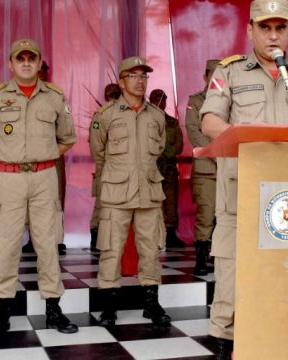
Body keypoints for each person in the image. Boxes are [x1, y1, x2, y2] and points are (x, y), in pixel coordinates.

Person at [199, 1, 288, 357]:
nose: (273, 35)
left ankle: (285, 344)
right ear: (250, 30)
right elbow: (209, 121)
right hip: (242, 192)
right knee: (232, 278)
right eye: (265, 28)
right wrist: (241, 140)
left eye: (280, 28)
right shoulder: (230, 72)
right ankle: (226, 345)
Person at [0, 38, 78, 337]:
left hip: (44, 177)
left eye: (31, 58)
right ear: (11, 63)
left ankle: (53, 309)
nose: (25, 63)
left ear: (39, 63)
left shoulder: (55, 97)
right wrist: (14, 159)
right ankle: (1, 315)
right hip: (9, 179)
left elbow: (67, 138)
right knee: (7, 245)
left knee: (47, 244)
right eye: (19, 58)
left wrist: (40, 157)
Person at [90, 56, 173, 327]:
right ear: (122, 81)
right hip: (116, 191)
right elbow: (98, 152)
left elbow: (159, 149)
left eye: (144, 76)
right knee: (111, 248)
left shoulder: (157, 116)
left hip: (148, 190)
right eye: (134, 76)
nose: (141, 81)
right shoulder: (106, 115)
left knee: (150, 248)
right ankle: (109, 306)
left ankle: (151, 303)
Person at [22, 60, 69, 255]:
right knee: (29, 199)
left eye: (43, 71)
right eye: (37, 70)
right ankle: (33, 239)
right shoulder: (18, 95)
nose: (40, 74)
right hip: (27, 157)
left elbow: (66, 131)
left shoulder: (55, 96)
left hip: (52, 156)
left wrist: (53, 151)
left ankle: (56, 240)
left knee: (54, 198)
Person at [185, 59, 219, 276]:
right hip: (207, 167)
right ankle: (201, 257)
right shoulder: (196, 101)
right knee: (206, 214)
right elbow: (193, 131)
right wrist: (216, 151)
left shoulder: (233, 100)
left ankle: (218, 256)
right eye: (214, 76)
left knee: (225, 215)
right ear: (206, 76)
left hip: (230, 167)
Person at [88, 83, 122, 252]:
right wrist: (105, 166)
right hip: (106, 168)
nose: (114, 98)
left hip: (120, 169)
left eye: (117, 94)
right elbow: (96, 146)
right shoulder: (100, 116)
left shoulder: (124, 113)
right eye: (112, 95)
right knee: (101, 205)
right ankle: (95, 239)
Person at [150, 88, 186, 248]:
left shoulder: (172, 122)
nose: (161, 101)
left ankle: (171, 234)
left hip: (169, 168)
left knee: (171, 203)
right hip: (152, 168)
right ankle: (152, 236)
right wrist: (163, 150)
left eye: (163, 98)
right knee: (151, 203)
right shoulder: (146, 120)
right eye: (158, 98)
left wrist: (167, 151)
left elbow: (179, 144)